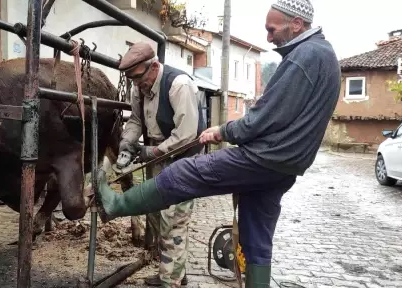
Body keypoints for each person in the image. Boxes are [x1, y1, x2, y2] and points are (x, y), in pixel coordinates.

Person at [94, 0, 340, 287]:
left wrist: (223, 130)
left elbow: (264, 118)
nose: (269, 37)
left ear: (296, 24)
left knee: (182, 172)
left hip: (265, 157)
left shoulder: (305, 56)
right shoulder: (324, 55)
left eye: (272, 29)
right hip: (286, 166)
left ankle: (115, 203)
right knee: (255, 235)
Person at [116, 41, 207, 287]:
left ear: (153, 67)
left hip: (183, 159)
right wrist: (126, 144)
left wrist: (154, 151)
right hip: (155, 158)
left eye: (139, 78)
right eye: (132, 80)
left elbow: (187, 134)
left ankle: (171, 282)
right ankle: (174, 272)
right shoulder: (139, 88)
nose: (137, 85)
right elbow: (135, 120)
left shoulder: (179, 85)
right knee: (156, 216)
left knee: (173, 220)